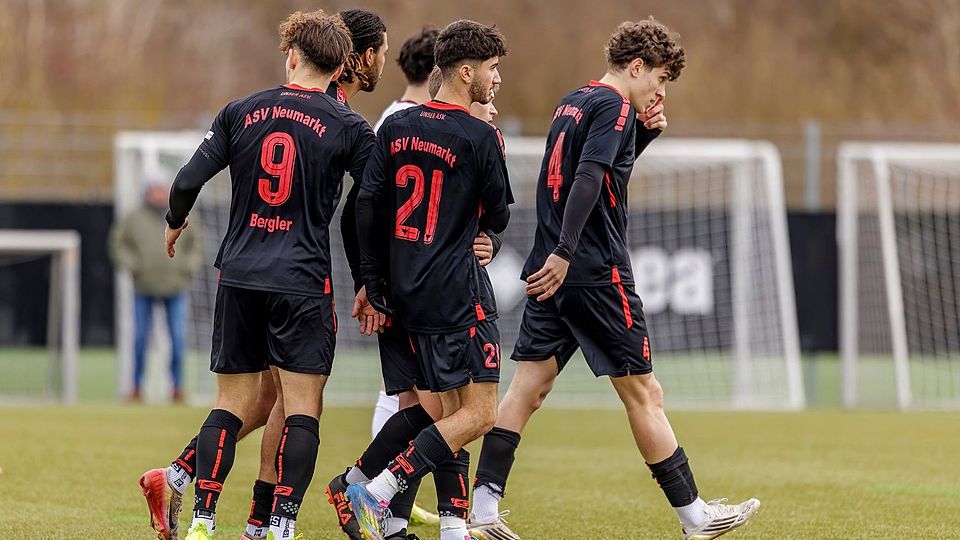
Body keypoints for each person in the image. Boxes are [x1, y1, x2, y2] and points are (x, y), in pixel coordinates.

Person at [466, 18, 760, 540]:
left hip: (550, 269)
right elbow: (588, 178)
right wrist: (566, 252)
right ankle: (695, 518)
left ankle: (484, 511)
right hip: (593, 271)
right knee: (645, 393)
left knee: (526, 390)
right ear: (637, 66)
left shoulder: (575, 100)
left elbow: (597, 171)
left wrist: (641, 137)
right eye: (660, 78)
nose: (660, 91)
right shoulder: (616, 105)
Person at [138, 10, 374, 540]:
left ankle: (202, 520)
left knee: (231, 404)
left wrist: (175, 224)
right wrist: (371, 276)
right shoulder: (349, 126)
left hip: (239, 275)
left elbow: (185, 180)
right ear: (342, 68)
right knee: (302, 408)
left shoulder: (241, 110)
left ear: (291, 56)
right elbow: (372, 200)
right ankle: (280, 526)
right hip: (302, 280)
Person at [344, 19, 510, 540]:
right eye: (492, 68)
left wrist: (372, 278)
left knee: (442, 411)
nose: (496, 78)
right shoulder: (481, 136)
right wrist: (483, 234)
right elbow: (498, 215)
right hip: (458, 295)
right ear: (467, 72)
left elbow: (366, 204)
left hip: (405, 294)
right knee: (480, 413)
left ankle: (448, 528)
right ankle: (377, 488)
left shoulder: (395, 126)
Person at [110, 179, 203, 403]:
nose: (159, 195)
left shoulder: (185, 215)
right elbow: (118, 244)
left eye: (163, 191)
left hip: (176, 286)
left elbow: (197, 246)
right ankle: (136, 387)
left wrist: (187, 267)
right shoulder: (133, 218)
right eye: (155, 191)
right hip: (144, 287)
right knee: (140, 339)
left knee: (178, 339)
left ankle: (177, 387)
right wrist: (133, 265)